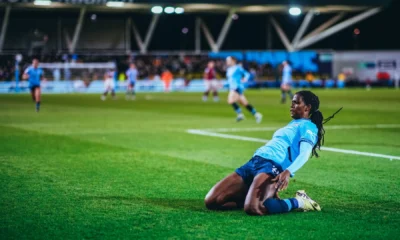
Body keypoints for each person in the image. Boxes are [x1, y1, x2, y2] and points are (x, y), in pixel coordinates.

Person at [205, 90, 342, 216]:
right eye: (292, 102)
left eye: (296, 102)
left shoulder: (309, 127)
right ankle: (254, 196)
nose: (291, 105)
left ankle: (299, 201)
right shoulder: (293, 124)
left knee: (254, 208)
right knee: (212, 201)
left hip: (272, 167)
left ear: (307, 107)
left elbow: (305, 153)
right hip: (254, 162)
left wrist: (288, 172)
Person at [225, 56, 262, 123]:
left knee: (230, 100)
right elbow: (230, 81)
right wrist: (224, 85)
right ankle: (257, 114)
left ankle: (240, 115)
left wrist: (245, 79)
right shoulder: (229, 70)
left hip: (237, 87)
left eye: (228, 60)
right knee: (245, 103)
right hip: (232, 88)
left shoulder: (238, 68)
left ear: (233, 61)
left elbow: (247, 74)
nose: (227, 62)